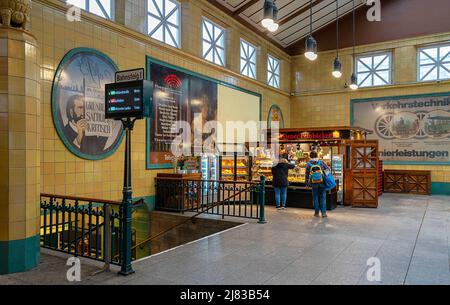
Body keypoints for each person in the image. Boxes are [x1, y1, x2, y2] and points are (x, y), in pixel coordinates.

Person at [305, 150, 330, 218]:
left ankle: (316, 213)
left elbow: (307, 175)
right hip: (322, 182)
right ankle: (324, 213)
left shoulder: (308, 164)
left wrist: (307, 184)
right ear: (317, 155)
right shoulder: (321, 162)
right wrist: (325, 176)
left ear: (310, 156)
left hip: (314, 183)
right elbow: (328, 170)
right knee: (323, 197)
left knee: (315, 197)